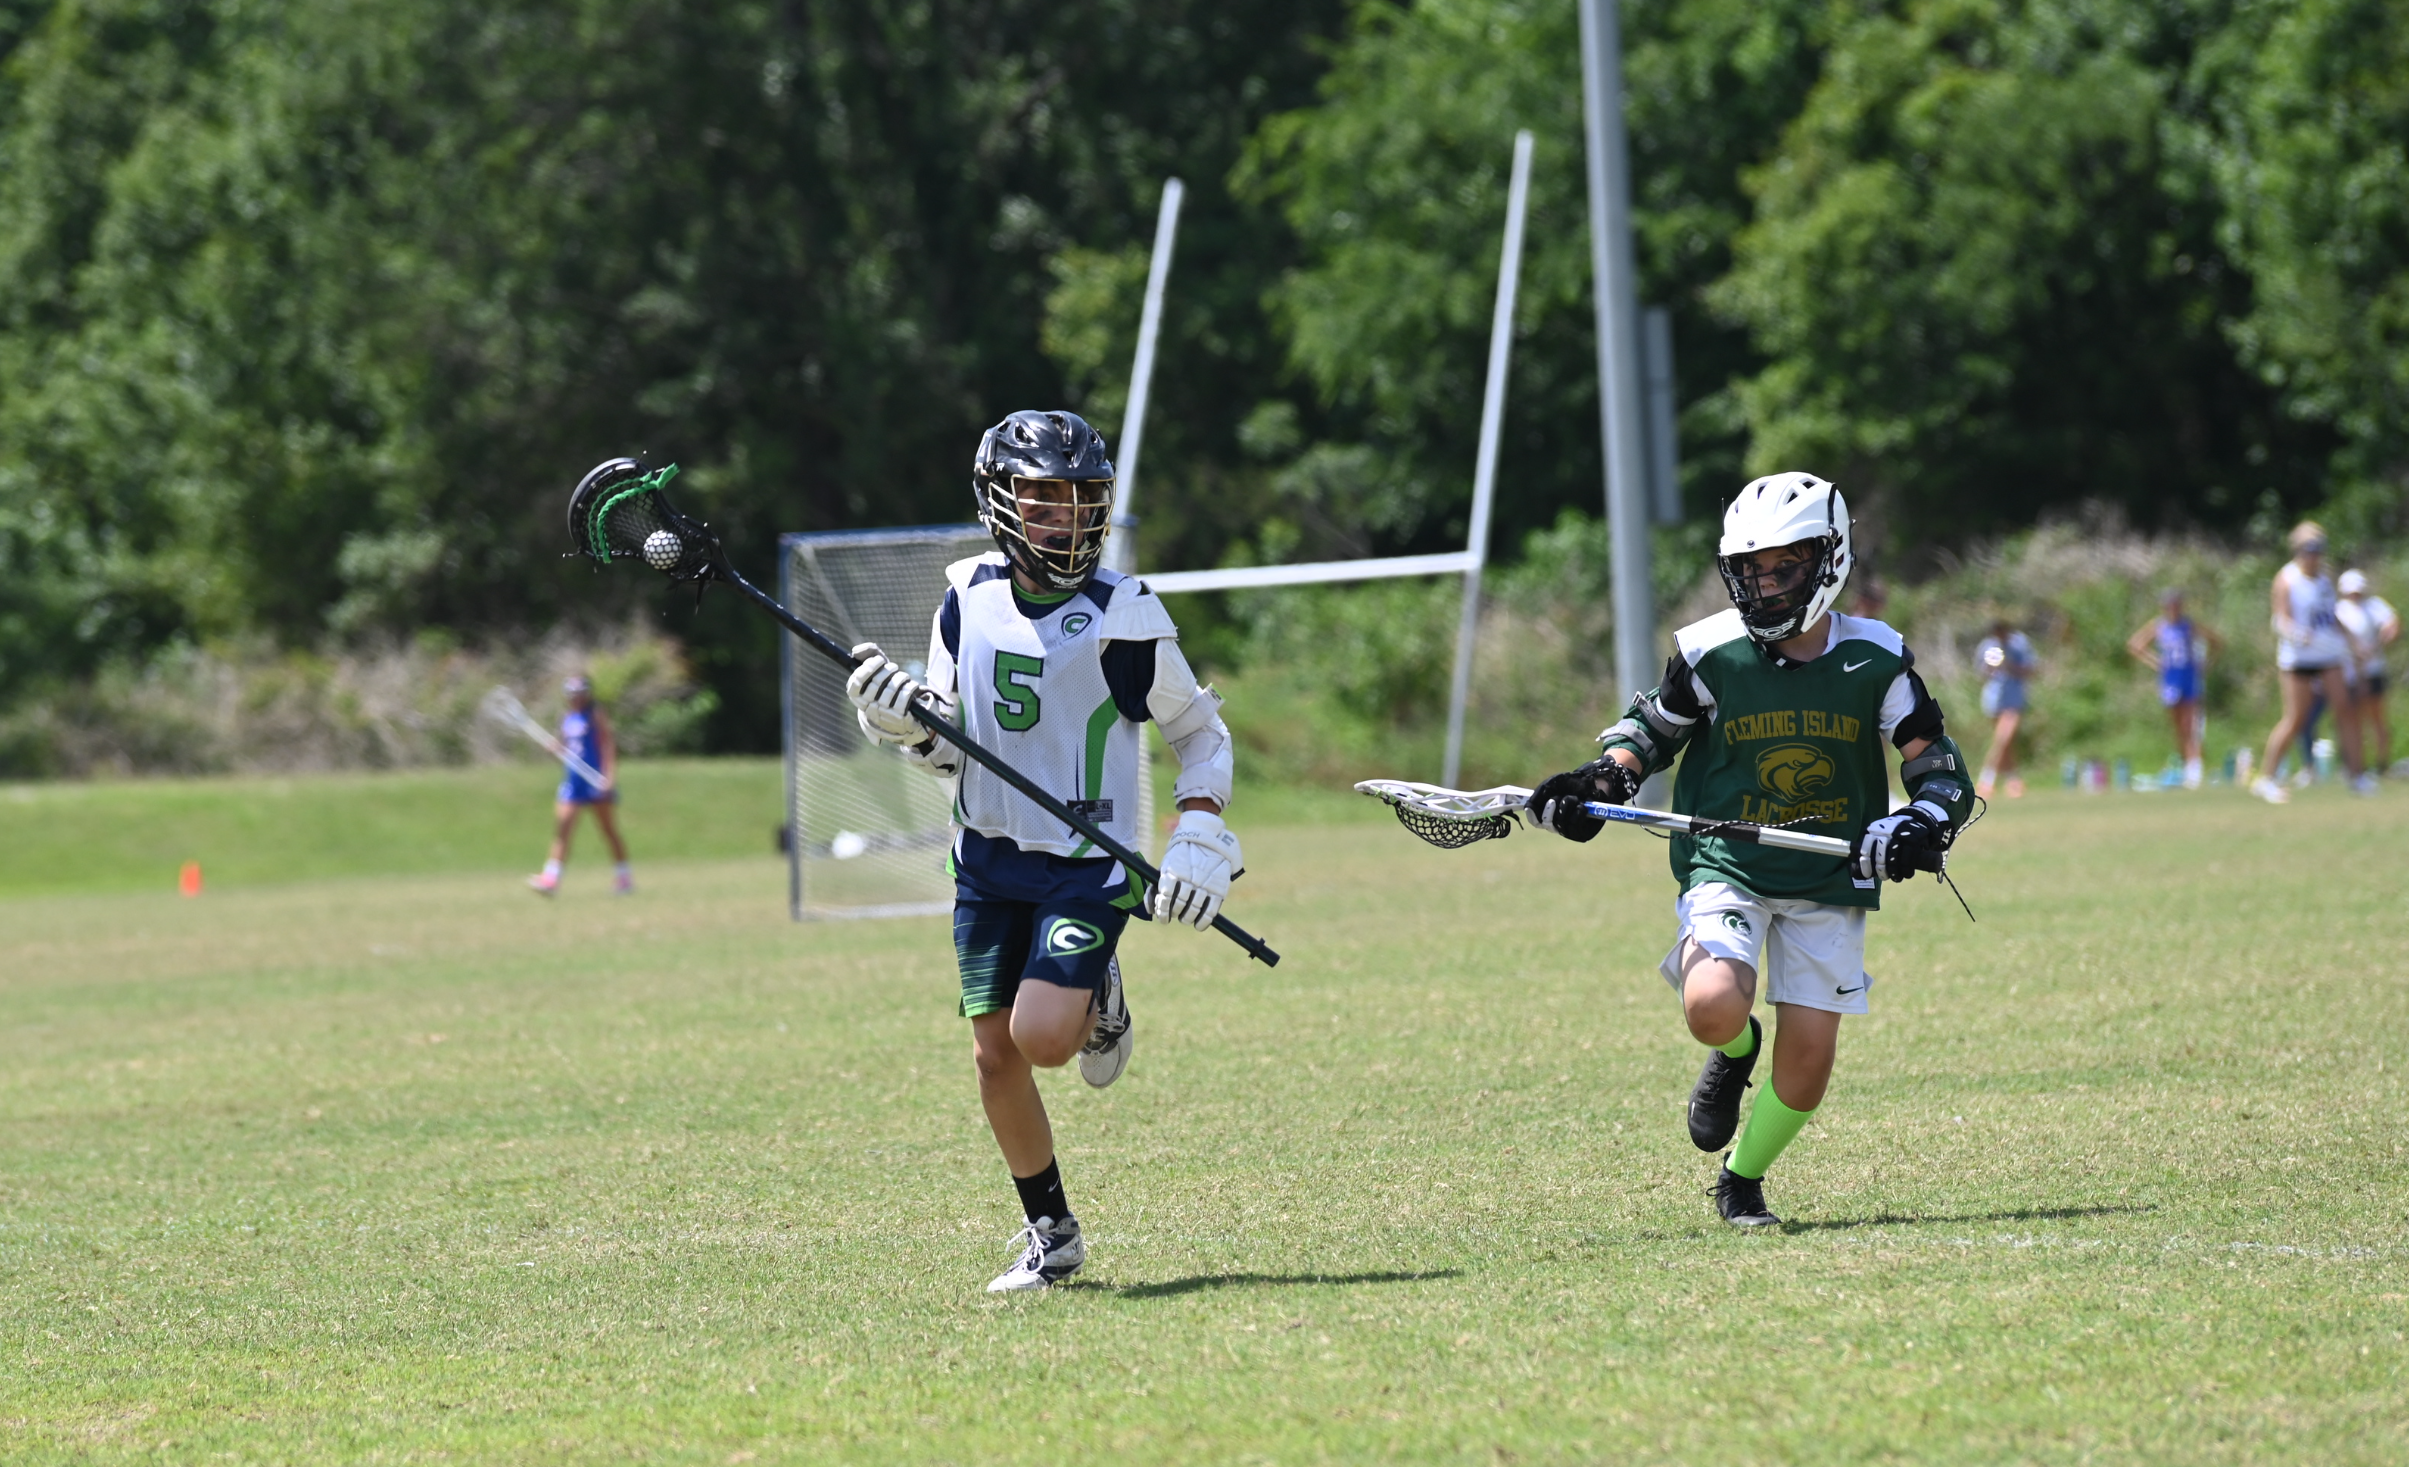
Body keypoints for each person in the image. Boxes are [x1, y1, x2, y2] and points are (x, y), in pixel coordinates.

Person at [841, 409, 1240, 1292]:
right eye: (1044, 500)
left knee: (1045, 1041)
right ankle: (1049, 1231)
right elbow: (947, 746)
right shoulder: (965, 597)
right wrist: (897, 720)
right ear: (1000, 502)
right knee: (993, 1055)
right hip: (985, 857)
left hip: (1084, 862)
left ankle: (1098, 989)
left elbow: (1201, 736)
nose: (1066, 518)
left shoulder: (1122, 615)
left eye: (1081, 500)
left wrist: (1200, 832)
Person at [1523, 473, 1973, 1228]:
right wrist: (1601, 779)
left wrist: (1919, 823)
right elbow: (1648, 736)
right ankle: (1734, 1049)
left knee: (1805, 1069)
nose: (1763, 587)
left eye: (1783, 567)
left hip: (1828, 872)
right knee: (1711, 1004)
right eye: (1750, 570)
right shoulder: (1710, 653)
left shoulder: (1877, 660)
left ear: (1828, 561)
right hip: (1724, 862)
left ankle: (1741, 1176)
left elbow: (1935, 767)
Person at [2254, 522, 2370, 802]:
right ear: (2298, 551)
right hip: (2298, 657)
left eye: (2319, 549)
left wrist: (2354, 641)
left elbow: (2331, 616)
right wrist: (2296, 633)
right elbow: (2280, 618)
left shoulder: (2325, 580)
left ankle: (2357, 776)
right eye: (2310, 549)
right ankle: (2266, 779)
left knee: (2346, 710)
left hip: (2328, 655)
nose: (2315, 555)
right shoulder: (2287, 579)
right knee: (2296, 718)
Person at [527, 675, 632, 895]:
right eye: (573, 694)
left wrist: (609, 776)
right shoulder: (567, 717)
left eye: (580, 694)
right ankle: (551, 879)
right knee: (563, 829)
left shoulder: (595, 715)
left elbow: (607, 745)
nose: (576, 698)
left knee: (608, 830)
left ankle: (624, 878)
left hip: (595, 779)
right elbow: (568, 749)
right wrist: (555, 749)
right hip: (573, 782)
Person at [2125, 588, 2222, 790]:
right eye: (2170, 605)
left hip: (2189, 678)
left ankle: (2195, 768)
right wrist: (2156, 662)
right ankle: (2187, 765)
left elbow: (2216, 642)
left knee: (2191, 724)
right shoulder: (2159, 626)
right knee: (2178, 726)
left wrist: (2206, 663)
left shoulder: (2189, 626)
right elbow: (2135, 645)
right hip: (2170, 680)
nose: (2174, 609)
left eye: (2177, 604)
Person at [2337, 568, 2399, 775]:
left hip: (2373, 670)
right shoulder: (2339, 609)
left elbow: (2393, 624)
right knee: (2353, 718)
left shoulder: (2374, 605)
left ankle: (2381, 763)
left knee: (2377, 717)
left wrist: (2379, 642)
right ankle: (2355, 764)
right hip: (2349, 673)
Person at [1973, 618, 2037, 799]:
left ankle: (1986, 780)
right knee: (2005, 743)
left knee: (2004, 737)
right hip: (1993, 698)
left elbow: (2030, 669)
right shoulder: (1988, 645)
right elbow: (1981, 672)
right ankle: (2013, 780)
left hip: (2014, 697)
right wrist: (1989, 667)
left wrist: (2010, 666)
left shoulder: (2019, 643)